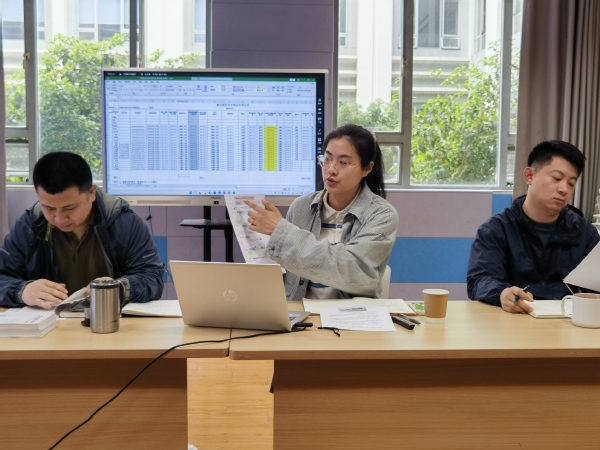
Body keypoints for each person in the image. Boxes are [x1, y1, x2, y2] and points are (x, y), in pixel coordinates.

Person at [245, 124, 399, 300]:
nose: (331, 169)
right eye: (327, 159)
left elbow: (350, 270)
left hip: (353, 313)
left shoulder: (382, 215)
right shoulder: (301, 206)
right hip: (301, 312)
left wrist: (282, 233)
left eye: (343, 162)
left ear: (367, 168)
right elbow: (285, 271)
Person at [0, 152, 165, 309]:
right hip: (49, 323)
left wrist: (121, 287)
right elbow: (3, 277)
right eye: (49, 208)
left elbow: (152, 277)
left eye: (69, 208)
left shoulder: (123, 221)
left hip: (110, 320)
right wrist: (22, 291)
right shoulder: (30, 225)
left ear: (91, 193)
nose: (59, 218)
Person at [467, 140, 600, 313]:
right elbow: (479, 279)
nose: (564, 189)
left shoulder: (585, 232)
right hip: (515, 319)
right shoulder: (496, 229)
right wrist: (502, 293)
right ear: (529, 175)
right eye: (557, 178)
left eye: (571, 183)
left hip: (567, 322)